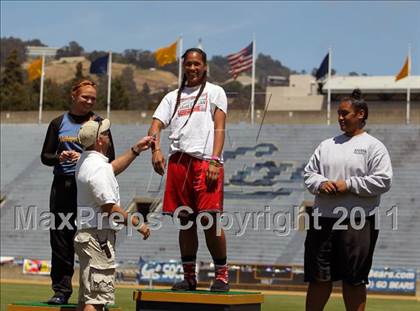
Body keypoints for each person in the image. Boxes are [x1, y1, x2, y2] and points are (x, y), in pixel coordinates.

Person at [303, 89, 393, 311]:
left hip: (358, 221)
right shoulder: (326, 145)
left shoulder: (374, 146)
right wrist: (320, 184)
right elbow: (308, 174)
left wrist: (349, 184)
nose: (340, 118)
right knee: (318, 278)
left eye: (345, 113)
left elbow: (383, 181)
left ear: (361, 114)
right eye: (338, 113)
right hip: (322, 219)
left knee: (354, 280)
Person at [148, 48, 229, 292]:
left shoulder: (216, 92)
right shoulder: (172, 97)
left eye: (197, 64)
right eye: (188, 64)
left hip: (205, 161)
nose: (192, 68)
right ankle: (189, 277)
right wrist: (155, 150)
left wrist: (215, 160)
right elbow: (155, 124)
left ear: (204, 66)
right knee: (185, 222)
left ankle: (222, 275)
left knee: (210, 220)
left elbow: (220, 127)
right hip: (178, 162)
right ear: (184, 67)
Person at [40, 80, 115, 305]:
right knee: (61, 239)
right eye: (85, 97)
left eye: (93, 98)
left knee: (90, 239)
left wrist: (83, 158)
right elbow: (45, 156)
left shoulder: (101, 123)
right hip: (63, 187)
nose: (90, 101)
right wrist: (59, 157)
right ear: (74, 96)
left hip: (88, 188)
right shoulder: (57, 123)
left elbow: (110, 157)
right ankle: (61, 291)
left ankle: (93, 296)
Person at [74, 119, 152, 311]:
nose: (109, 136)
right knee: (96, 300)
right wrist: (138, 223)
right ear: (100, 140)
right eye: (106, 133)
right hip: (99, 238)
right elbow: (110, 209)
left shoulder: (85, 161)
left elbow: (112, 168)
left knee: (86, 297)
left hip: (86, 235)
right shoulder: (99, 168)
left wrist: (135, 150)